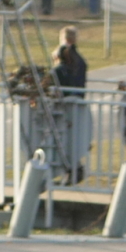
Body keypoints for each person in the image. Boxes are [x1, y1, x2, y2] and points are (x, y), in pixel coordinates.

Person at [52, 26, 91, 183]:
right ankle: (74, 169)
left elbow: (58, 78)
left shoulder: (64, 60)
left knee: (61, 138)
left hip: (65, 104)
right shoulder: (80, 60)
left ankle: (72, 170)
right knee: (72, 138)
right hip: (78, 103)